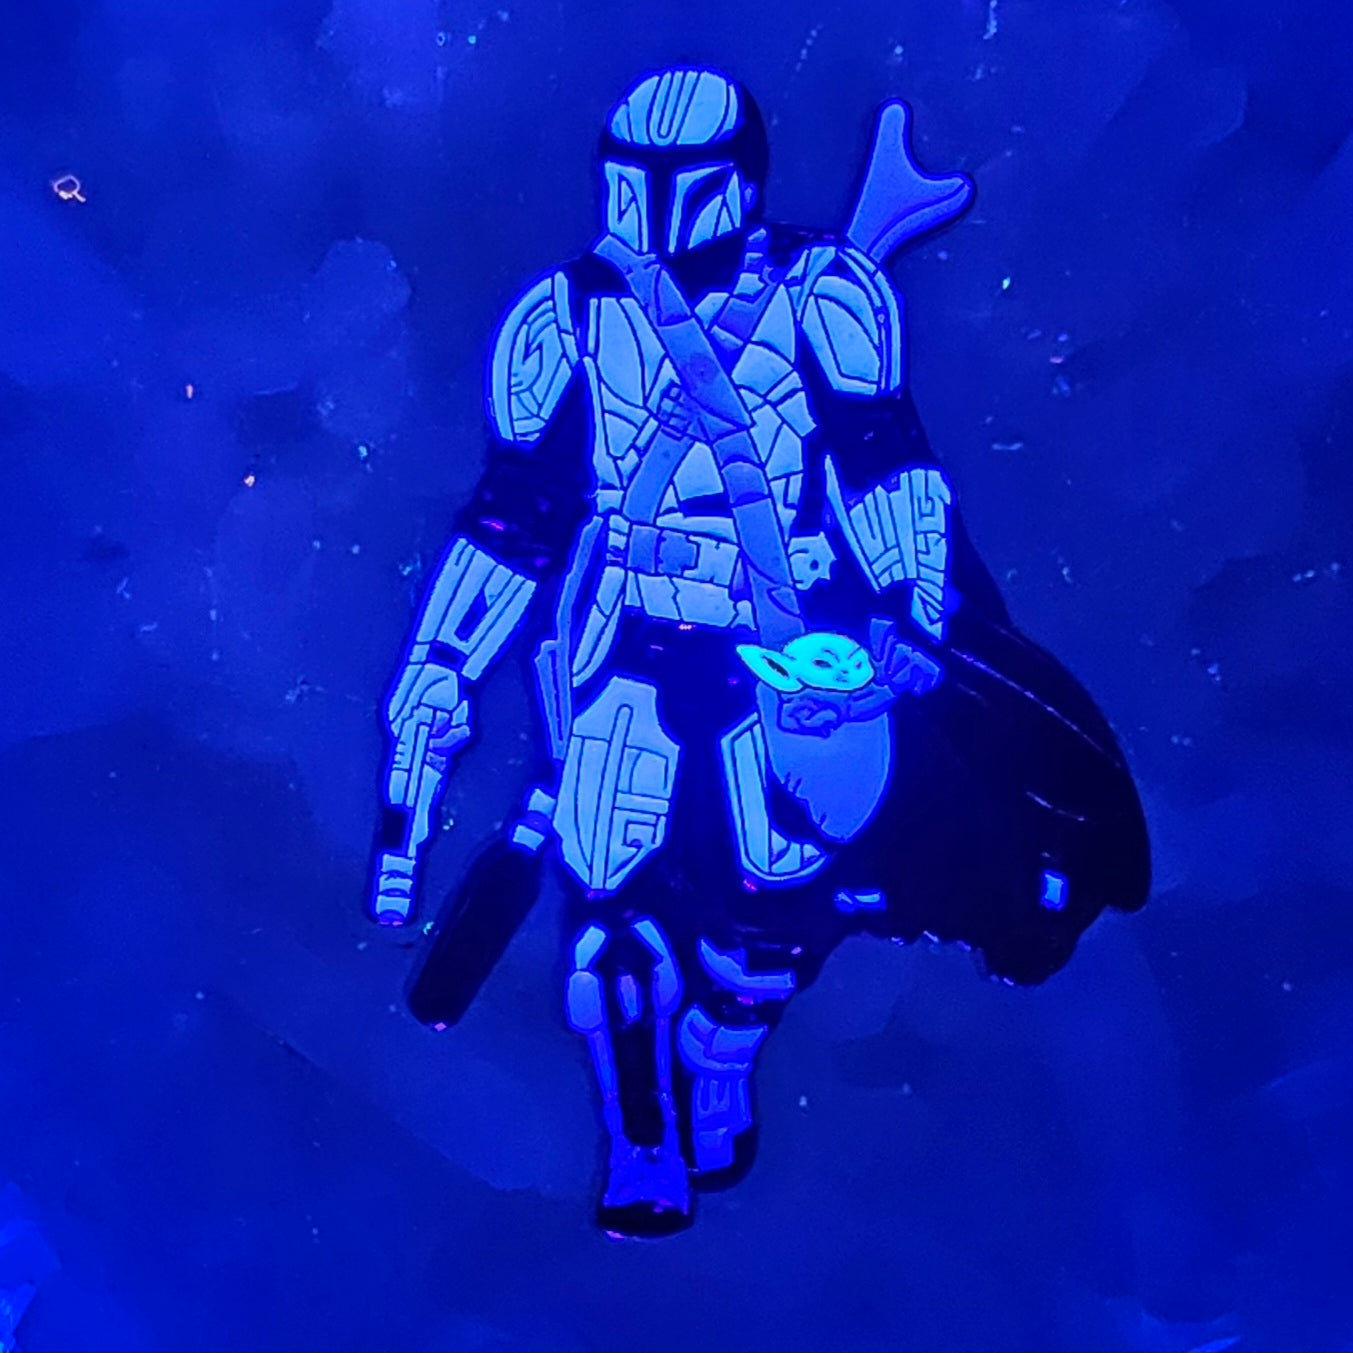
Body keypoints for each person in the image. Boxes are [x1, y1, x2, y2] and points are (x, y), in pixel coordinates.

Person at [369, 67, 1150, 1237]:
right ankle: (641, 1141)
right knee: (609, 897)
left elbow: (887, 466)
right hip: (626, 637)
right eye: (633, 182)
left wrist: (911, 615)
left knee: (781, 891)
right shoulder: (561, 319)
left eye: (675, 183)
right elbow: (514, 520)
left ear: (729, 182)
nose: (650, 210)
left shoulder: (826, 293)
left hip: (782, 642)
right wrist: (442, 664)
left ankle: (726, 1048)